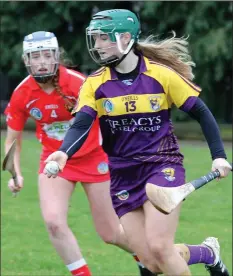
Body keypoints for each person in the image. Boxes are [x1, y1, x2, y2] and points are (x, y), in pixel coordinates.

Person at [44, 9, 232, 276]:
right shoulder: (95, 84)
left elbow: (201, 112)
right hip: (122, 175)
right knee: (153, 263)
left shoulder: (161, 75)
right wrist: (63, 153)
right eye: (94, 38)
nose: (96, 45)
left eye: (102, 38)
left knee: (160, 246)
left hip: (161, 165)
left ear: (124, 38)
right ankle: (207, 253)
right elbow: (83, 123)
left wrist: (218, 155)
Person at [4, 30, 149, 276]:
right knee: (53, 222)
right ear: (26, 60)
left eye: (46, 55)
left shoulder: (78, 83)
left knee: (111, 233)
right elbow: (11, 140)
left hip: (95, 158)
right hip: (54, 163)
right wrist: (15, 173)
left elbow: (111, 117)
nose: (40, 62)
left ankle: (146, 259)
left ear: (56, 56)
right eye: (34, 57)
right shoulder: (22, 93)